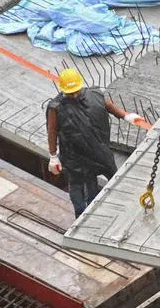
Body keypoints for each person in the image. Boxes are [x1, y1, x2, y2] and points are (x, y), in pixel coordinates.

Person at [47, 68, 145, 217]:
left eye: (76, 91)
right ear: (63, 91)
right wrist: (53, 156)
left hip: (97, 150)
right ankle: (80, 216)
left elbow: (110, 106)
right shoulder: (56, 107)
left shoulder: (95, 95)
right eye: (70, 93)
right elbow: (52, 131)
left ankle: (101, 211)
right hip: (74, 156)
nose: (73, 95)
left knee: (99, 183)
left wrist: (126, 116)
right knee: (76, 186)